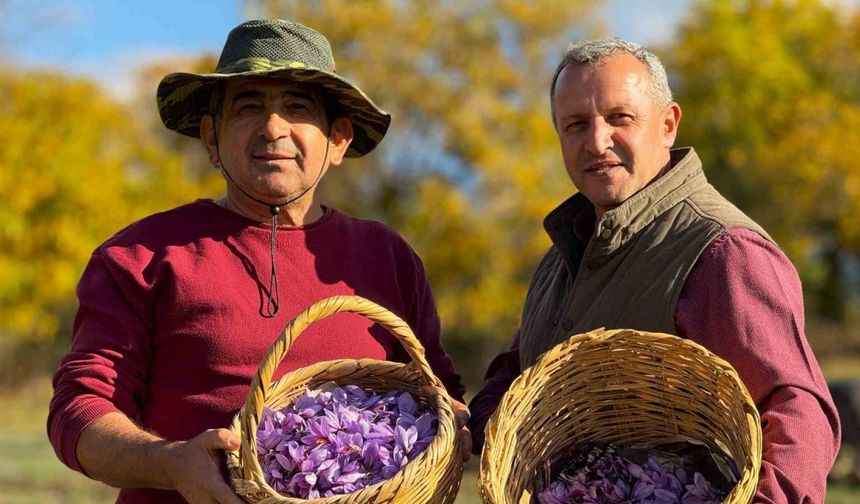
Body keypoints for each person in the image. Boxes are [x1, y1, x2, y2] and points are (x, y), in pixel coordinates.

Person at [48, 19, 468, 504]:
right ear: (211, 139)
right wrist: (171, 463)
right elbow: (78, 410)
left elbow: (438, 395)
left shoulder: (387, 257)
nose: (273, 127)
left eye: (297, 106)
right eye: (249, 106)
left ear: (338, 140)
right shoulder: (142, 256)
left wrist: (452, 427)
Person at [468, 38, 840, 503]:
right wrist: (477, 426)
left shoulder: (721, 250)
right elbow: (520, 373)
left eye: (620, 118)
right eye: (576, 125)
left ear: (667, 124)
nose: (597, 141)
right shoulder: (563, 254)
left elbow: (798, 413)